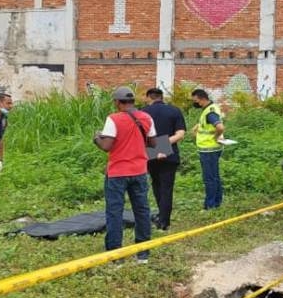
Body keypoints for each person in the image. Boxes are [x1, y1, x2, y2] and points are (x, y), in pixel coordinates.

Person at [93, 86, 158, 263]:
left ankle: (116, 255)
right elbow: (153, 143)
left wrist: (97, 138)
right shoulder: (146, 117)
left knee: (115, 212)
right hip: (139, 171)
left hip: (118, 173)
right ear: (132, 101)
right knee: (142, 210)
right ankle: (143, 253)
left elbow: (107, 146)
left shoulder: (113, 119)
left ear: (117, 102)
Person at [141, 88, 187, 231]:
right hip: (170, 154)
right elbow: (180, 134)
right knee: (167, 188)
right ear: (162, 97)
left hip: (150, 153)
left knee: (156, 184)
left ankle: (161, 216)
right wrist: (164, 145)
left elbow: (140, 135)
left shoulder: (143, 112)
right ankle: (164, 221)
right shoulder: (174, 111)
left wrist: (155, 148)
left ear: (149, 97)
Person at [191, 88, 226, 209]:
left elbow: (220, 127)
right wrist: (197, 127)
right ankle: (217, 202)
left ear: (202, 99)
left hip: (209, 149)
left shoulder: (210, 112)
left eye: (196, 101)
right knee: (214, 176)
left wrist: (216, 137)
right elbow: (207, 124)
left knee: (209, 178)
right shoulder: (211, 108)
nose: (195, 103)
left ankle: (210, 205)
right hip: (212, 148)